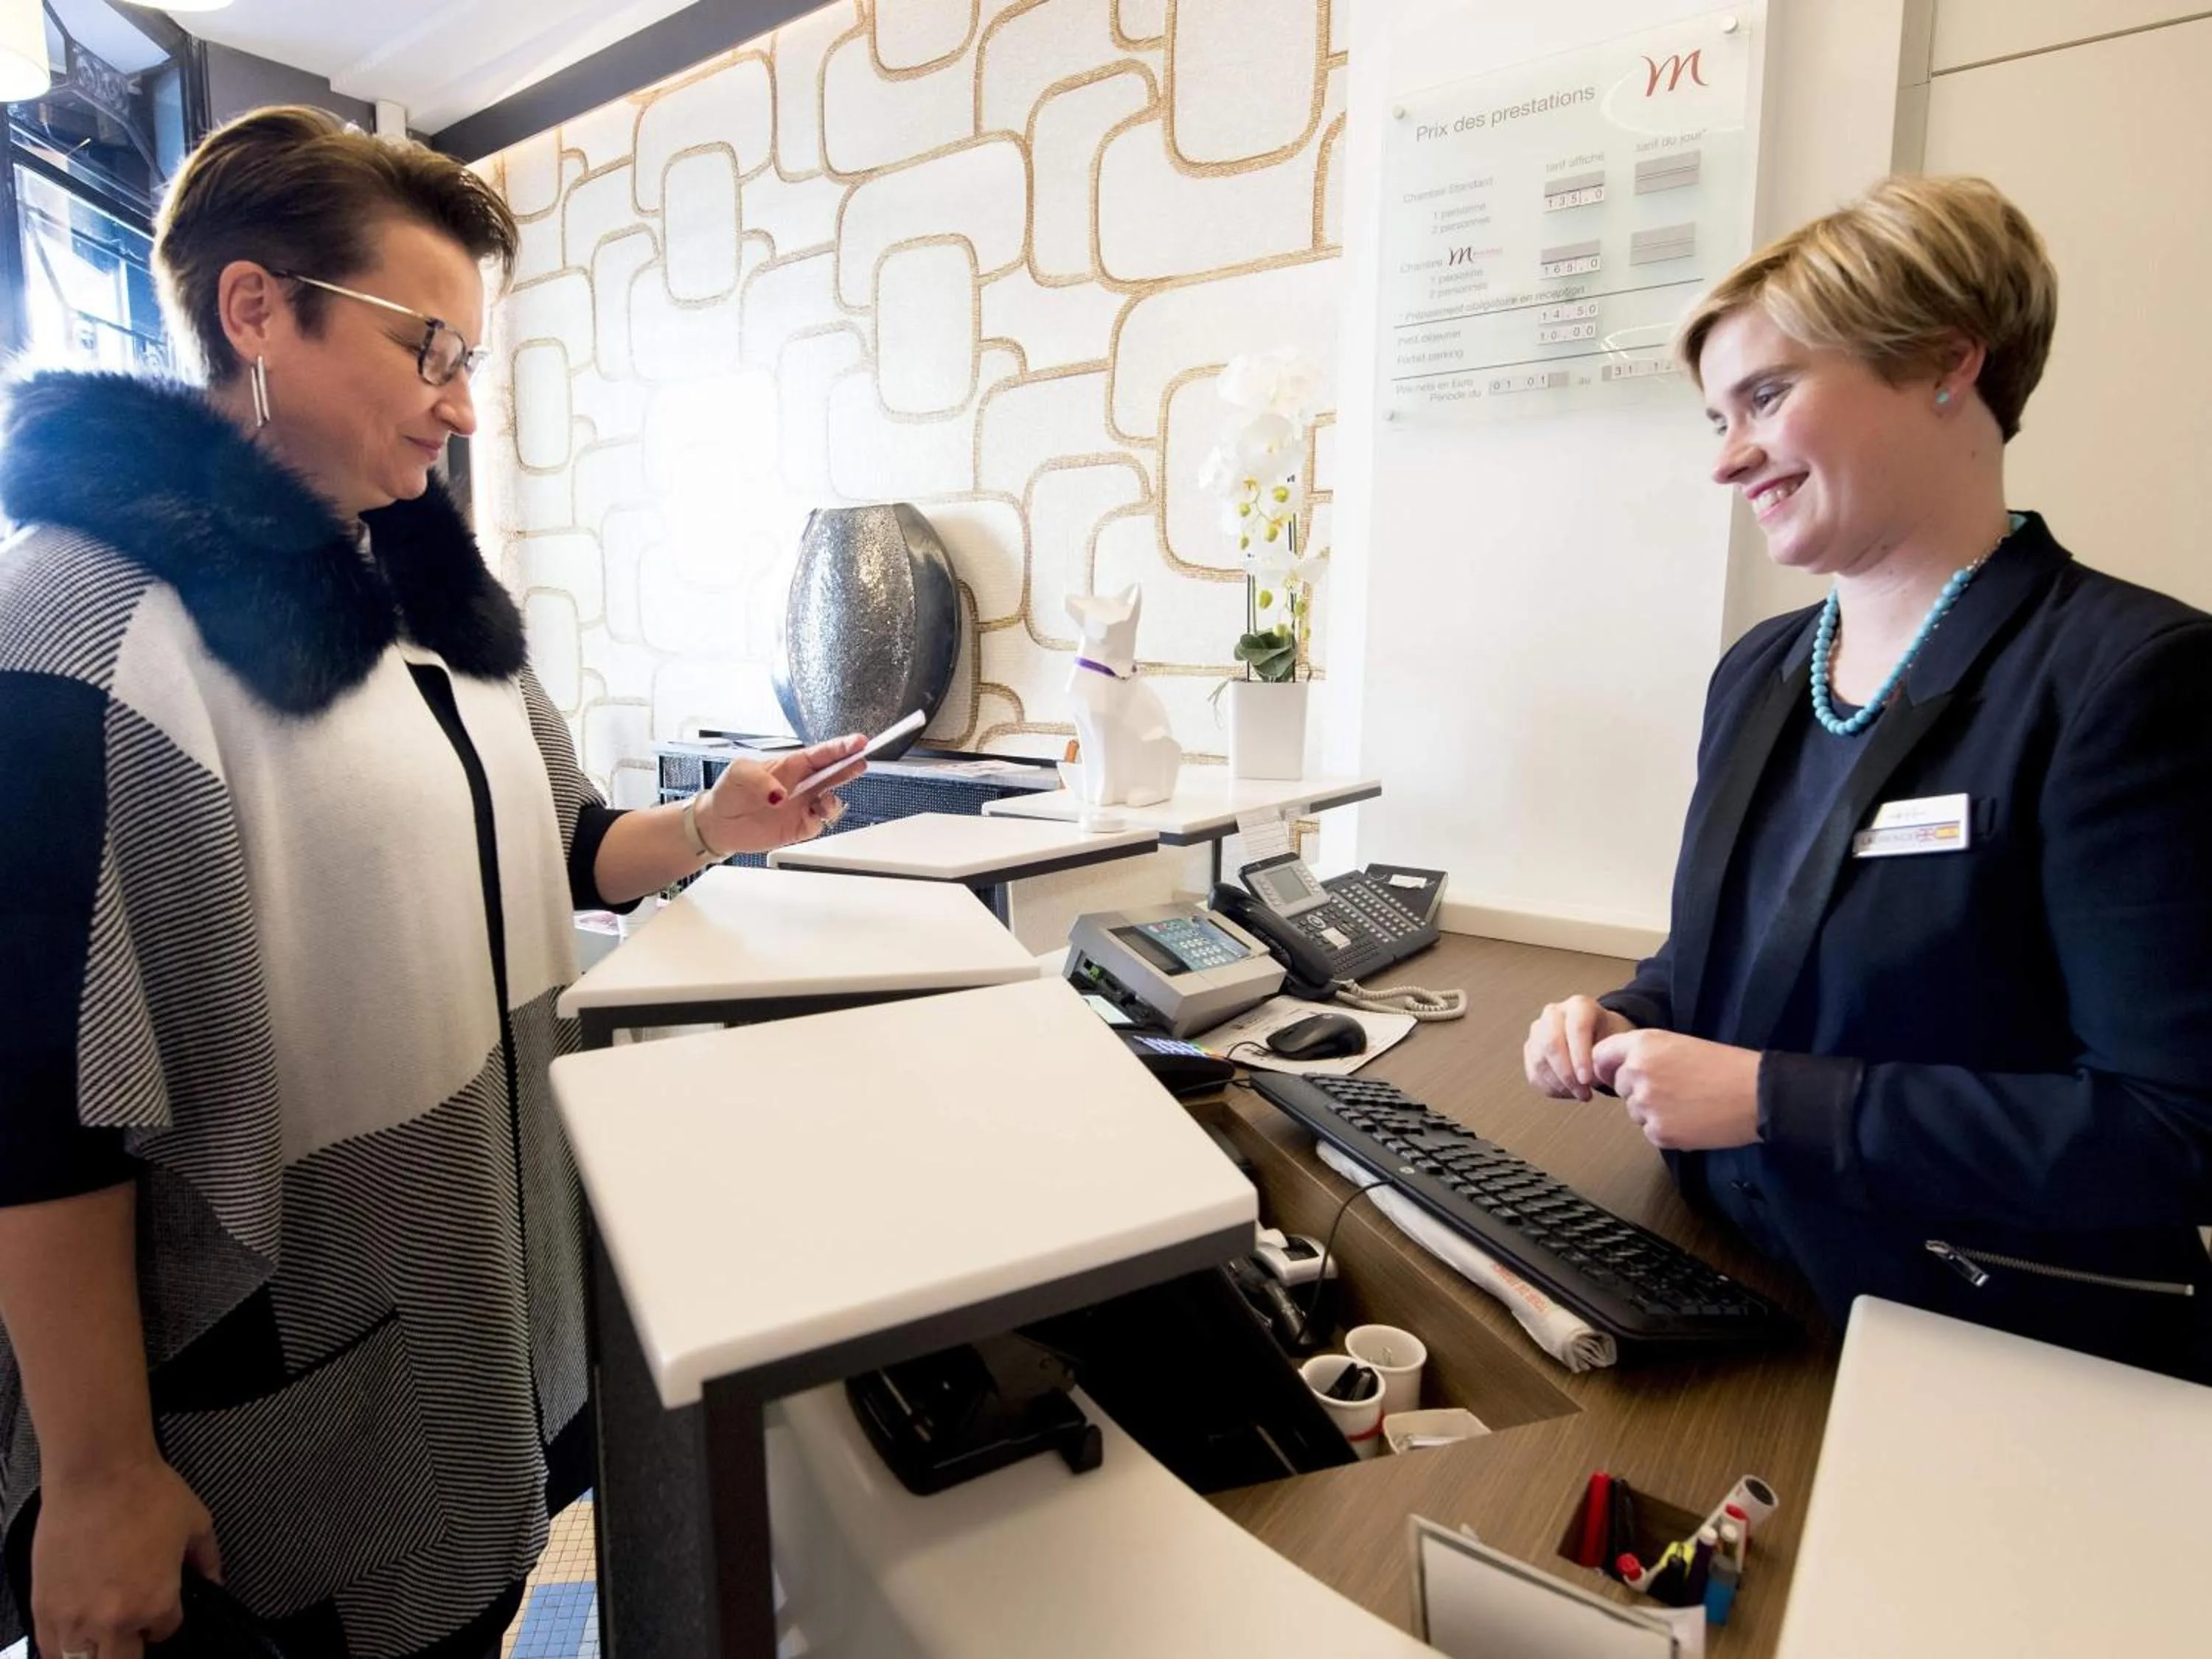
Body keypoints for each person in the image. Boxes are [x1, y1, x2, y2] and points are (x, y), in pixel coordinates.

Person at [0, 106, 870, 1659]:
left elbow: (562, 835)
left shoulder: (424, 590)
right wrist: (99, 1473)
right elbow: (30, 1094)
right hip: (279, 1406)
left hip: (474, 1314)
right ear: (256, 308)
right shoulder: (82, 617)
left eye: (471, 362)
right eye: (430, 353)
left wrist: (715, 827)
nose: (461, 410)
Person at [1523, 175, 2212, 1379]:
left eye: (1767, 397)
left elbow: (2173, 1128)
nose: (1729, 459)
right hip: (1728, 1267)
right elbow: (1734, 960)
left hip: (1972, 1338)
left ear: (1950, 364)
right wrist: (1629, 1016)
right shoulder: (1762, 671)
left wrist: (1771, 1100)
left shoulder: (2128, 679)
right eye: (1714, 419)